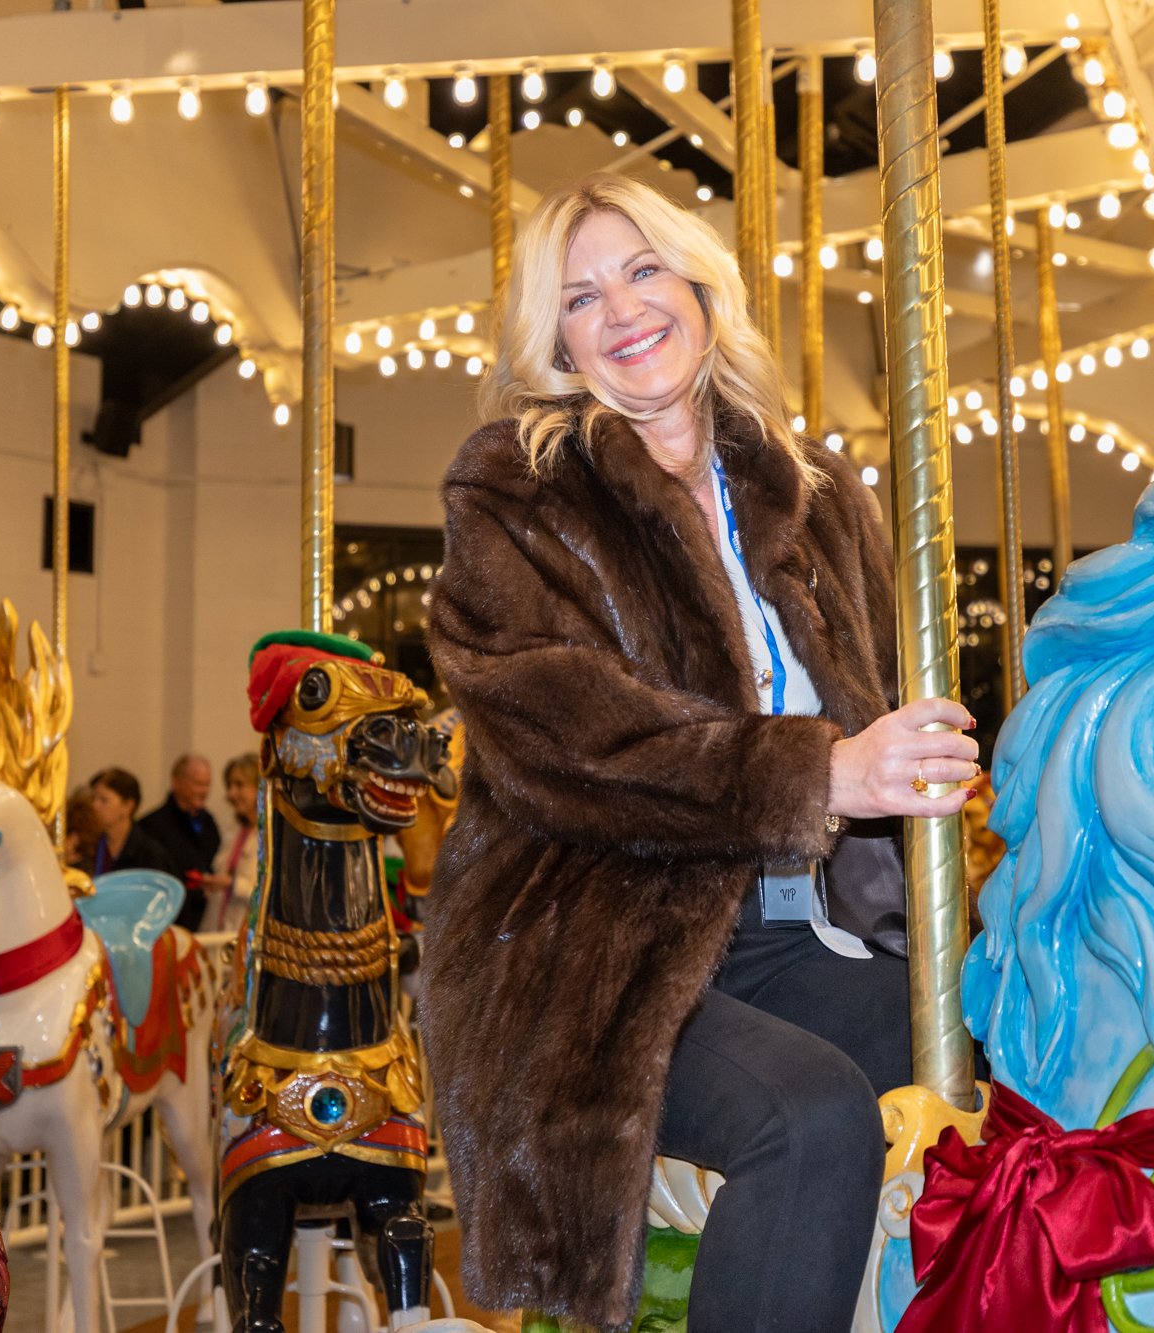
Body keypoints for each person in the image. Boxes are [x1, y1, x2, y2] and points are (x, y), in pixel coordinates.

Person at [422, 174, 979, 1333]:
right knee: (810, 1114)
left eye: (641, 272)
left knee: (1018, 1047)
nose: (621, 309)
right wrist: (818, 771)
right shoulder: (516, 494)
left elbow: (881, 706)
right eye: (580, 297)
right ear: (558, 342)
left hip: (794, 928)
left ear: (697, 287)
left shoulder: (815, 496)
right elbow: (564, 732)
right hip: (592, 953)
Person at [137, 753, 222, 930]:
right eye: (198, 784)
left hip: (206, 921)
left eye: (207, 784)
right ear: (177, 782)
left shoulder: (209, 823)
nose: (204, 791)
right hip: (169, 923)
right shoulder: (151, 826)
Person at [86, 768, 177, 880]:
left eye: (104, 800)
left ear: (128, 806)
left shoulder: (150, 855)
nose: (95, 806)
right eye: (93, 799)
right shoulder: (88, 845)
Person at [212, 753, 261, 932]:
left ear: (259, 787)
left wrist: (233, 885)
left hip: (250, 933)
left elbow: (269, 895)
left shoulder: (272, 836)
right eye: (230, 785)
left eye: (239, 785)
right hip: (224, 929)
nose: (231, 793)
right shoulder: (235, 831)